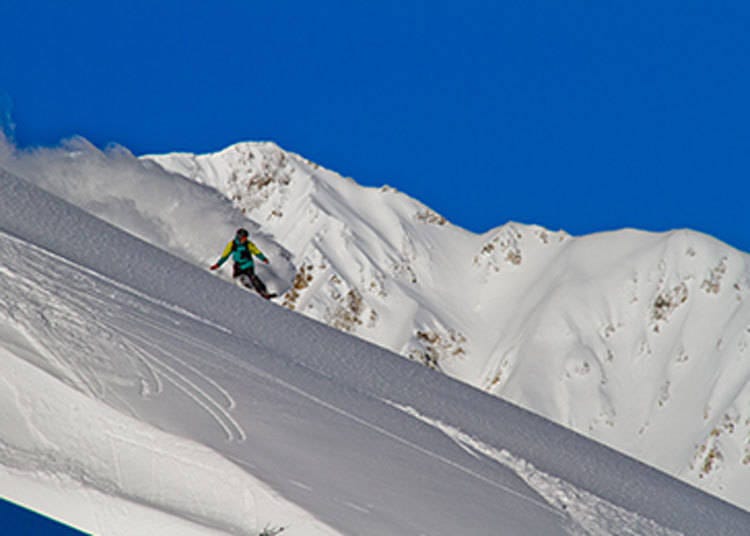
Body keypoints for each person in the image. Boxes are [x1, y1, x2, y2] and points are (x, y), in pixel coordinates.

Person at [210, 228, 275, 299]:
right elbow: (225, 256)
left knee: (253, 277)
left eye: (246, 238)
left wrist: (263, 258)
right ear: (239, 237)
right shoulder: (232, 245)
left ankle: (263, 292)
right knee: (237, 279)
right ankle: (248, 291)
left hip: (248, 264)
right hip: (238, 265)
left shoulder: (248, 244)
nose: (245, 239)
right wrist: (218, 265)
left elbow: (256, 251)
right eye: (244, 238)